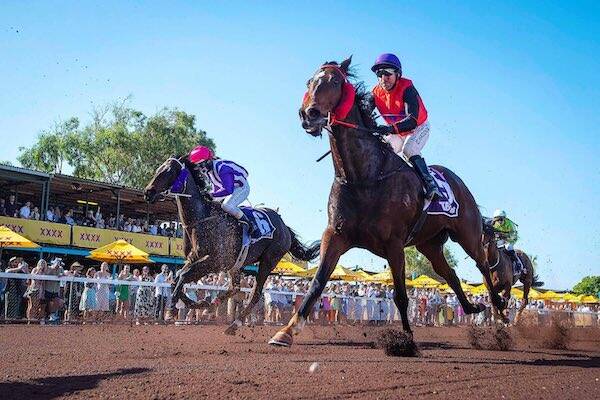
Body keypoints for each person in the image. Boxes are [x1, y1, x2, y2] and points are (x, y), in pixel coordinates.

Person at [370, 53, 442, 200]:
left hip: (418, 128)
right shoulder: (375, 92)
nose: (383, 79)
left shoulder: (407, 88)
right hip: (397, 132)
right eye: (379, 74)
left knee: (408, 150)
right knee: (382, 151)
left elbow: (412, 121)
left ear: (398, 74)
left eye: (388, 74)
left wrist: (389, 129)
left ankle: (431, 185)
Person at [188, 146, 255, 233]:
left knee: (227, 206)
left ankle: (249, 223)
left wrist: (211, 194)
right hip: (227, 189)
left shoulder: (222, 169)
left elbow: (229, 190)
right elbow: (216, 189)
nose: (200, 168)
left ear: (208, 161)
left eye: (201, 165)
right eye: (197, 166)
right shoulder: (208, 171)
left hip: (241, 188)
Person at [491, 209, 525, 275]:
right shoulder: (495, 225)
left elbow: (513, 235)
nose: (499, 221)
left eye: (501, 219)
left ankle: (517, 263)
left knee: (508, 247)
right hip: (501, 239)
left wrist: (503, 235)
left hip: (511, 239)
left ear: (504, 218)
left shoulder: (509, 224)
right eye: (497, 220)